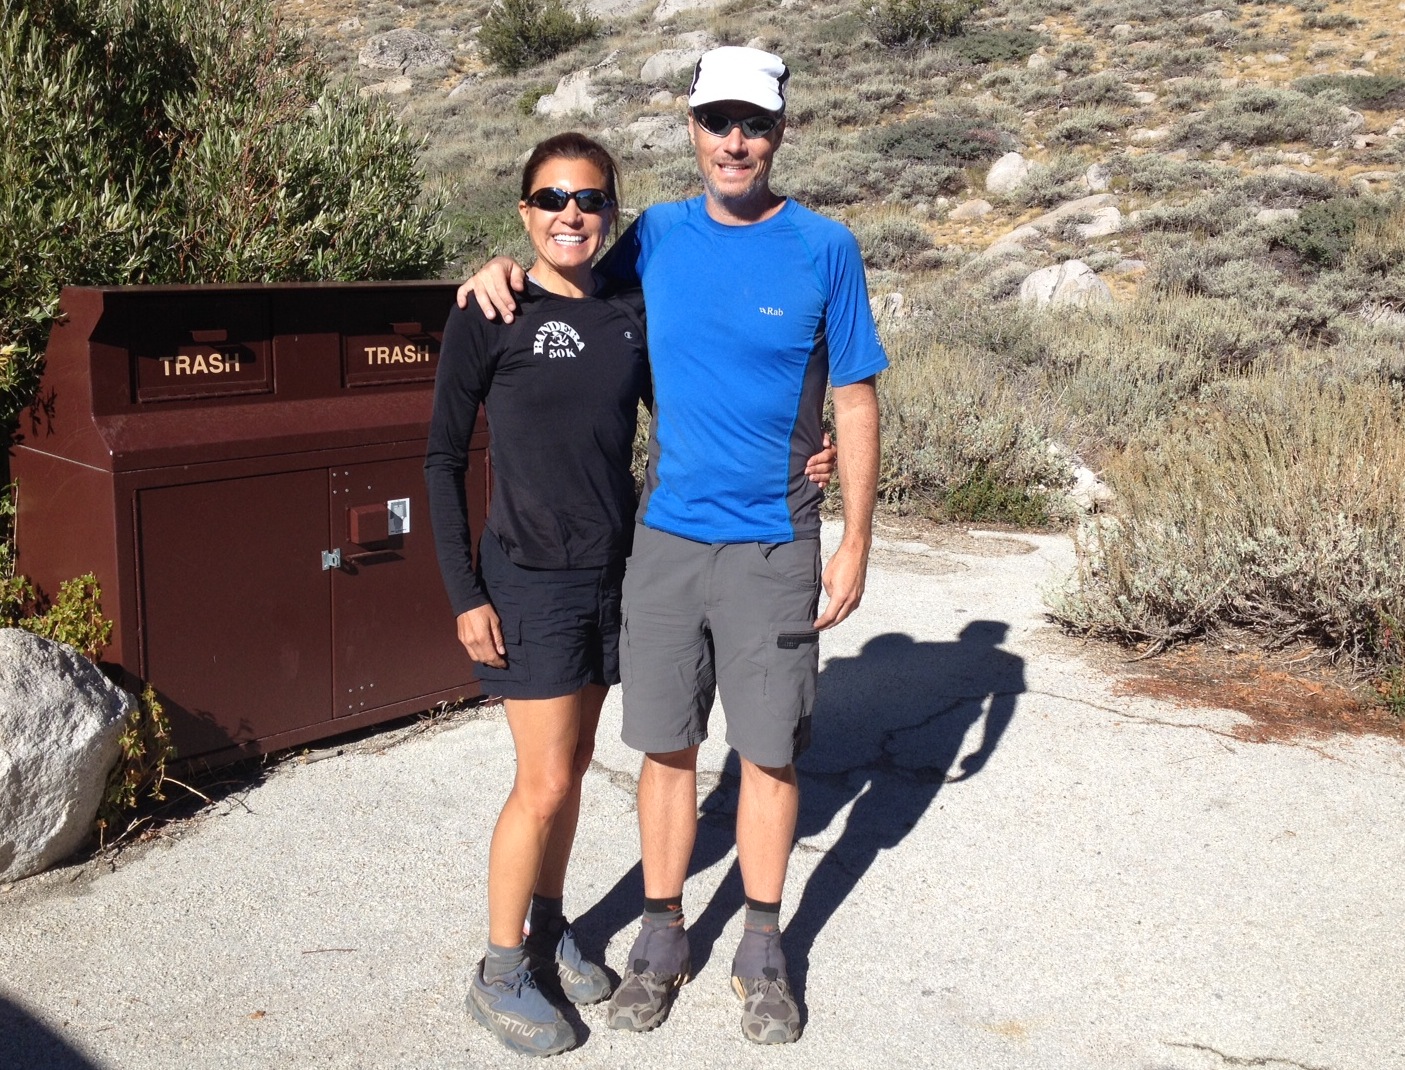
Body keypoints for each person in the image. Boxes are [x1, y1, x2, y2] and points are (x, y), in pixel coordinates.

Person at [458, 46, 887, 1046]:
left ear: (779, 133)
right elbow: (566, 271)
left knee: (770, 751)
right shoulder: (651, 236)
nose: (734, 141)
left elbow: (857, 393)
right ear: (692, 130)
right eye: (717, 122)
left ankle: (766, 945)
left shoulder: (826, 247)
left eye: (755, 123)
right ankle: (660, 935)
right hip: (663, 542)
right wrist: (499, 268)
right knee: (664, 744)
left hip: (776, 541)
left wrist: (856, 534)